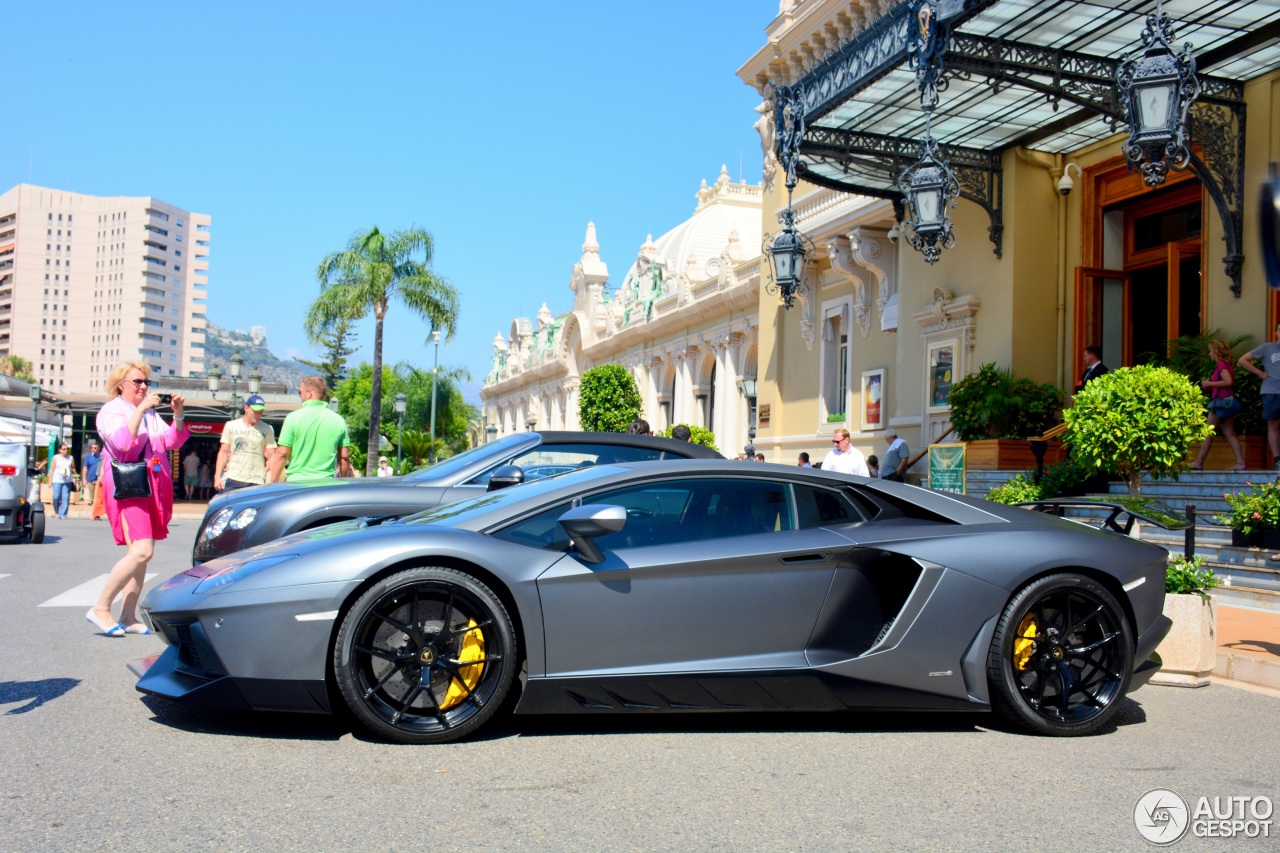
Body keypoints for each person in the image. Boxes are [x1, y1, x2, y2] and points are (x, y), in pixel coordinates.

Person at [88, 362, 188, 637]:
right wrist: (141, 410)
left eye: (146, 382)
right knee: (142, 551)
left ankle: (128, 615)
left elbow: (172, 441)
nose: (144, 386)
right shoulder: (112, 411)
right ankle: (100, 607)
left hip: (149, 485)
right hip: (128, 484)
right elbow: (122, 443)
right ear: (121, 384)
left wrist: (178, 415)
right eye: (137, 382)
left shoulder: (151, 413)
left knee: (141, 556)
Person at [268, 376, 353, 483]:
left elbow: (282, 454)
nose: (300, 396)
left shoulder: (293, 418)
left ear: (309, 393)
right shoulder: (338, 420)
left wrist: (273, 482)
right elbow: (344, 457)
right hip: (325, 484)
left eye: (300, 392)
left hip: (297, 483)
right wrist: (344, 482)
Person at [1192, 339, 1246, 471]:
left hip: (1220, 403)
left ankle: (1199, 462)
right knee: (1230, 433)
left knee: (1207, 432)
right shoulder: (1227, 364)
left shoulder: (1221, 365)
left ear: (1216, 352)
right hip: (1227, 402)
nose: (1210, 354)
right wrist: (1210, 386)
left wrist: (1210, 383)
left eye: (1211, 351)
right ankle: (1240, 462)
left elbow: (1228, 381)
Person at [215, 395, 277, 493]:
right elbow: (223, 452)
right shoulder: (231, 426)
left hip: (256, 480)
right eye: (256, 411)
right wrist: (217, 476)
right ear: (246, 408)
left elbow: (272, 455)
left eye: (261, 411)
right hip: (234, 477)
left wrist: (273, 479)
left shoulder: (267, 428)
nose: (258, 414)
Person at [1241, 323, 1280, 473]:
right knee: (1274, 425)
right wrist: (1260, 373)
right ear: (1276, 332)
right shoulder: (1267, 348)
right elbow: (1243, 360)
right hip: (1271, 391)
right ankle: (1278, 460)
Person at [50, 444, 76, 519]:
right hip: (57, 479)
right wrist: (50, 481)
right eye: (64, 449)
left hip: (67, 480)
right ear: (60, 450)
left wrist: (70, 470)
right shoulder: (56, 458)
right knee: (56, 497)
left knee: (65, 497)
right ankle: (56, 510)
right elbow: (52, 469)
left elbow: (74, 469)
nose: (66, 450)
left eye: (67, 449)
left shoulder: (70, 458)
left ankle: (63, 514)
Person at [81, 440, 102, 513]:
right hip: (90, 479)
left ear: (99, 449)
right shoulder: (88, 457)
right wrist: (84, 479)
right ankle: (95, 513)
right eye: (91, 448)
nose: (93, 449)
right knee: (92, 497)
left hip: (98, 479)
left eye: (95, 448)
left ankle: (95, 513)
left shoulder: (102, 457)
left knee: (98, 497)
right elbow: (85, 468)